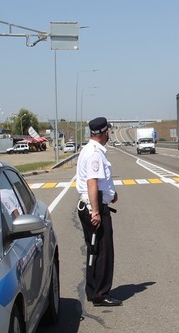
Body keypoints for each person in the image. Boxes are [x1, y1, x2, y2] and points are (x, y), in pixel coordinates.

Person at [76, 116, 122, 307]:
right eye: (108, 131)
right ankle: (101, 294)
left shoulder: (88, 150)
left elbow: (98, 182)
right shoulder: (95, 153)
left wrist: (111, 194)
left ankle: (93, 290)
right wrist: (96, 211)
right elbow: (92, 182)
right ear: (104, 132)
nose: (109, 133)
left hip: (90, 204)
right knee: (103, 251)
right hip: (94, 208)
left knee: (94, 250)